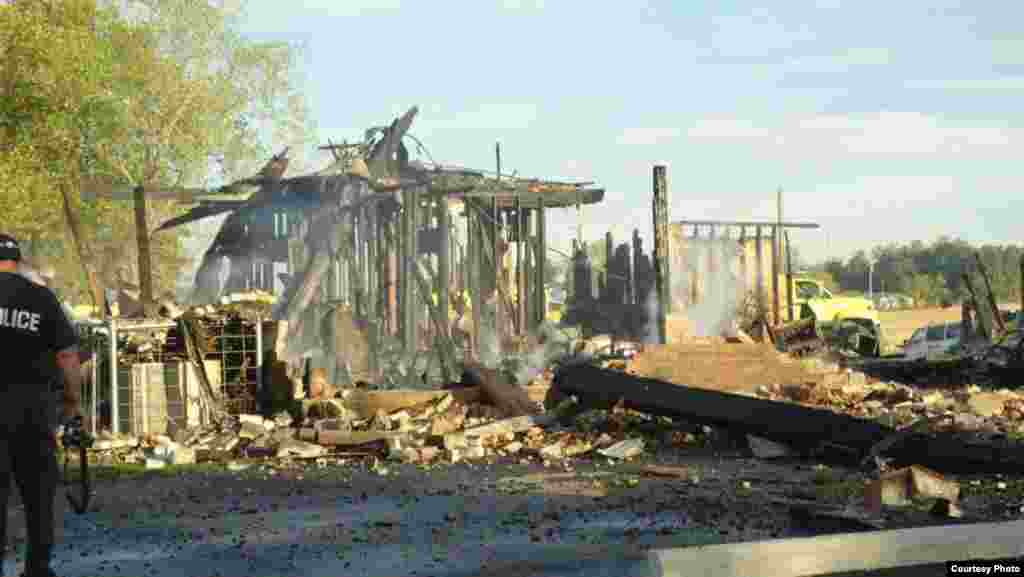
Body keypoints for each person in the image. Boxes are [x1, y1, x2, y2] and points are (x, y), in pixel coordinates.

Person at [0, 234, 81, 577]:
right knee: (37, 493)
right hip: (32, 408)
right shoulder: (41, 298)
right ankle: (38, 568)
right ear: (17, 262)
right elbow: (66, 354)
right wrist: (74, 400)